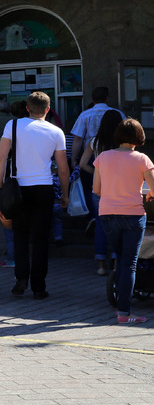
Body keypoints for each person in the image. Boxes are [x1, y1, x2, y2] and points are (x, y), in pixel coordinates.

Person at [0, 91, 69, 300]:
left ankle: (20, 279)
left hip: (18, 186)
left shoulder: (13, 126)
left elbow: (0, 160)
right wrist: (65, 194)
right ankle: (39, 286)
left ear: (27, 108)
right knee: (41, 239)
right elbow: (63, 168)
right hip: (44, 187)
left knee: (19, 234)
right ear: (48, 109)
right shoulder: (56, 132)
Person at [93, 118, 154, 323]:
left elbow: (97, 190)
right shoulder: (142, 159)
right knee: (130, 264)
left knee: (120, 260)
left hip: (108, 215)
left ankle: (121, 305)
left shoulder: (103, 157)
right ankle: (124, 313)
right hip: (133, 215)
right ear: (139, 137)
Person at [79, 110, 125, 276]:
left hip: (99, 187)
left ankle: (100, 265)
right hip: (119, 188)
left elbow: (83, 164)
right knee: (119, 226)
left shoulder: (94, 142)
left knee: (100, 224)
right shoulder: (123, 142)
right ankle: (115, 263)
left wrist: (96, 173)